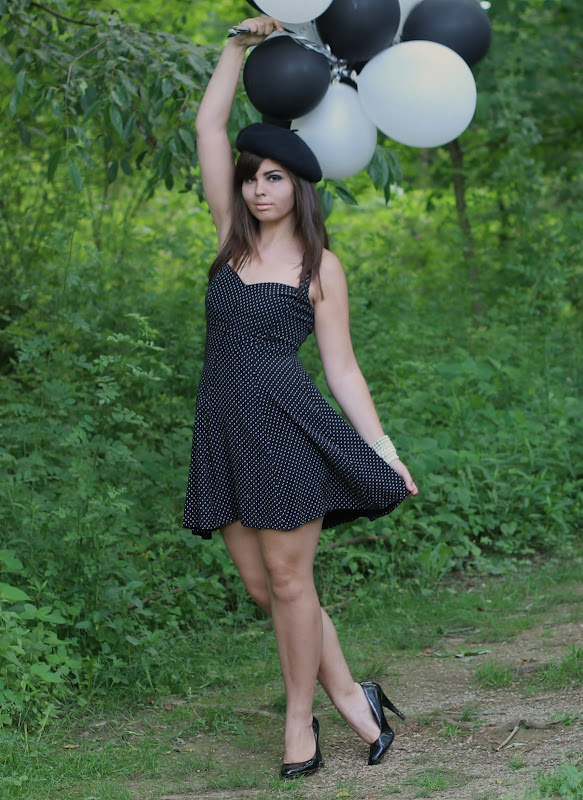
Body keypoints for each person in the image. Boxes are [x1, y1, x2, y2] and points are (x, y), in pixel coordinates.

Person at [183, 15, 419, 779]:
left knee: (290, 581)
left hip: (286, 428)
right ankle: (352, 689)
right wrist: (234, 49)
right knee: (266, 588)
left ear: (299, 186)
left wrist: (382, 449)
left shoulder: (321, 267)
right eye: (252, 176)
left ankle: (301, 722)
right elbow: (208, 127)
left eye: (274, 177)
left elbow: (342, 370)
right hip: (223, 426)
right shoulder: (230, 236)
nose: (259, 188)